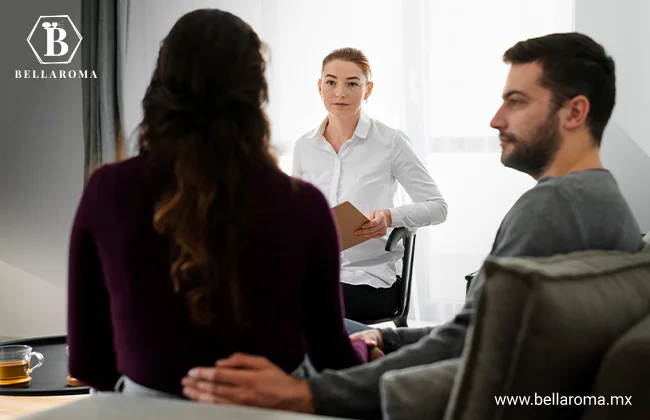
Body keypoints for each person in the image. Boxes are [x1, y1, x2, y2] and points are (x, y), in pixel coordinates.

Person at [180, 32, 645, 418]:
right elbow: (482, 329)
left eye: (516, 101)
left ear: (575, 112)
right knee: (323, 326)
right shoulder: (602, 203)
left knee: (273, 337)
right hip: (346, 289)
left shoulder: (551, 210)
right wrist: (387, 336)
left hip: (381, 308)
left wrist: (310, 396)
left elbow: (470, 342)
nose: (495, 119)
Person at [66, 8, 368, 399]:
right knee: (358, 333)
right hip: (270, 408)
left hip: (144, 409)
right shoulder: (304, 205)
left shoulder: (106, 189)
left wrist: (150, 392)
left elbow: (88, 362)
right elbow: (333, 359)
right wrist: (365, 348)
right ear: (255, 93)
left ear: (161, 85)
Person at [292, 47, 448, 322]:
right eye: (331, 82)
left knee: (304, 309)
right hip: (312, 273)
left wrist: (390, 217)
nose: (339, 93)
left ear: (368, 89)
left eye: (352, 83)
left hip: (369, 279)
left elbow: (438, 207)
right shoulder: (305, 146)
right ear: (319, 87)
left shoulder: (391, 142)